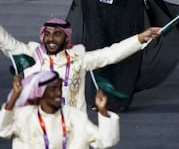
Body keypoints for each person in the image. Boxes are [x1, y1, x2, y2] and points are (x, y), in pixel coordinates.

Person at [0, 17, 161, 113]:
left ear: (67, 39)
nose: (51, 39)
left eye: (57, 35)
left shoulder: (78, 59)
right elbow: (5, 41)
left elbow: (111, 54)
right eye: (47, 34)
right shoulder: (30, 55)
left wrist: (139, 38)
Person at [0, 71, 119, 148]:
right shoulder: (25, 116)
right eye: (53, 89)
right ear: (40, 93)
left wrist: (103, 110)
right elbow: (3, 130)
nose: (58, 93)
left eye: (59, 88)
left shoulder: (75, 117)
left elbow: (104, 142)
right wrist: (15, 96)